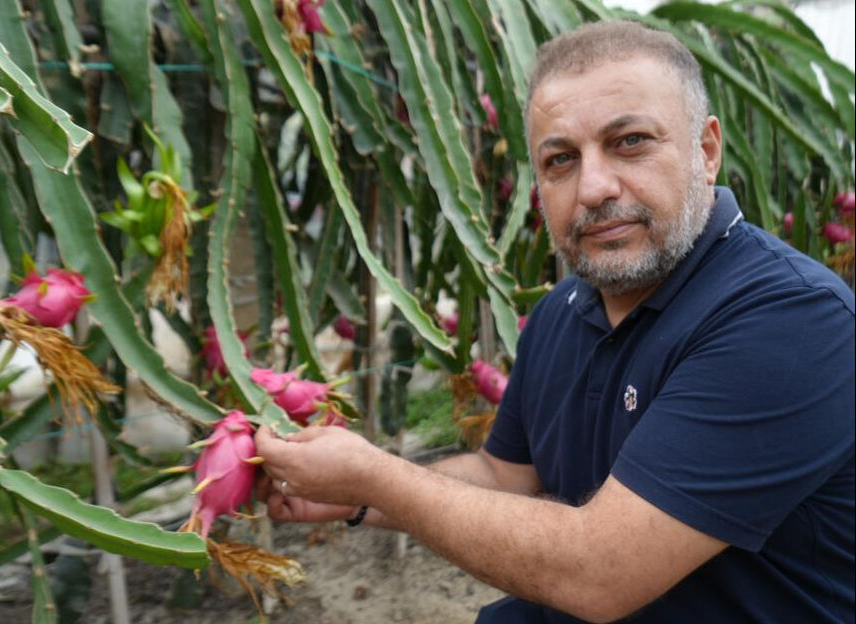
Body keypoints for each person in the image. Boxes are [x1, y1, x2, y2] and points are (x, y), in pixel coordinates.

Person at [255, 21, 855, 623]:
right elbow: (503, 475)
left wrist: (374, 477)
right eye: (561, 159)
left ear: (706, 152)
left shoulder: (792, 319)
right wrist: (353, 495)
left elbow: (600, 572)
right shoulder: (562, 311)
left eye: (630, 142)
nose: (593, 187)